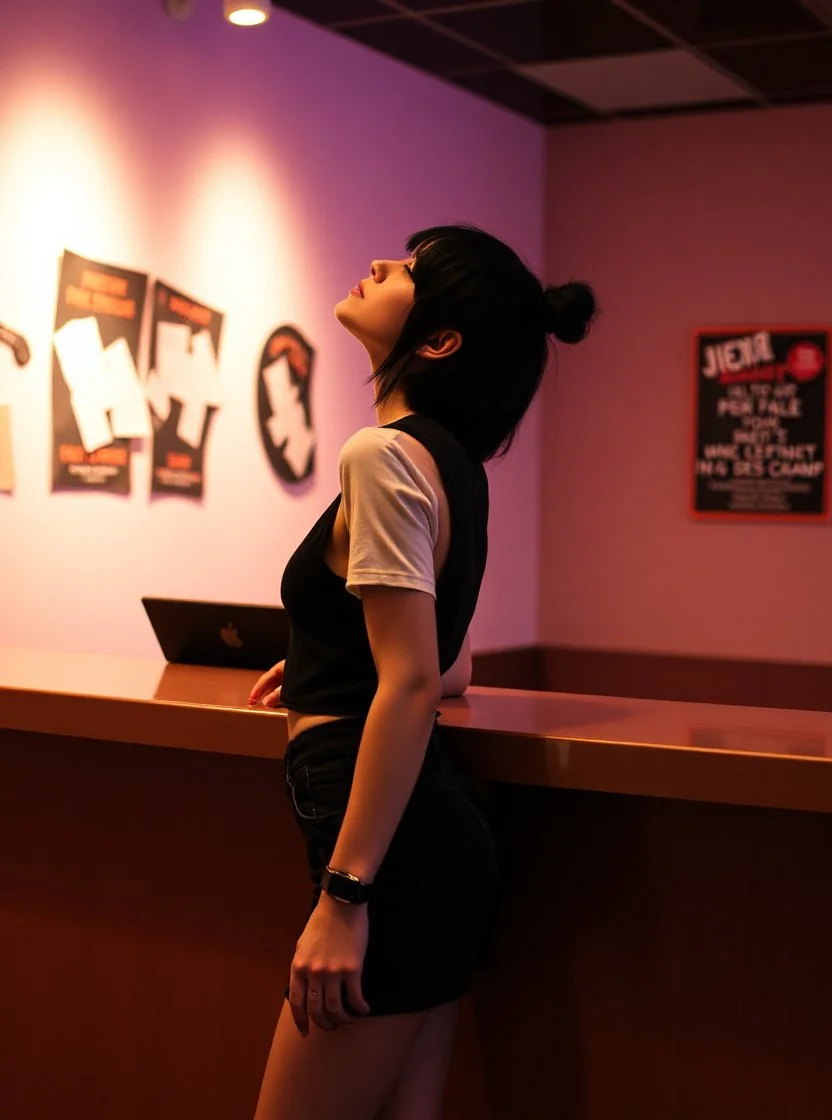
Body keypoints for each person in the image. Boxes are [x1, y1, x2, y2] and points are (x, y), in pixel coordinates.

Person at [249, 224, 597, 1120]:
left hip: (386, 854)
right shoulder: (456, 468)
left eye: (410, 268)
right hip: (434, 845)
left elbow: (411, 683)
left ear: (439, 342)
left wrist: (344, 896)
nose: (378, 265)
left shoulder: (382, 455)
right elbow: (450, 662)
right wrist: (330, 661)